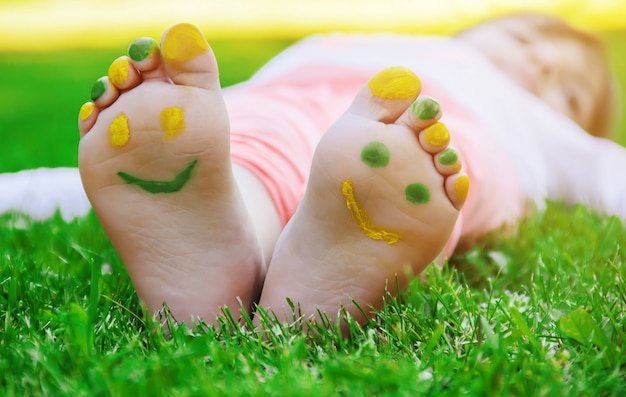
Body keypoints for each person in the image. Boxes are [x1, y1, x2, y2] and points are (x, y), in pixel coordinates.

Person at [75, 13, 623, 333]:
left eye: (568, 92)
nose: (541, 65)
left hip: (448, 122)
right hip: (295, 92)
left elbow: (605, 169)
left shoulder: (528, 123)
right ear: (470, 34)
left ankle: (316, 251)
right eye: (523, 39)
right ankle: (230, 244)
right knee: (249, 147)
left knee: (429, 160)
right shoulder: (401, 46)